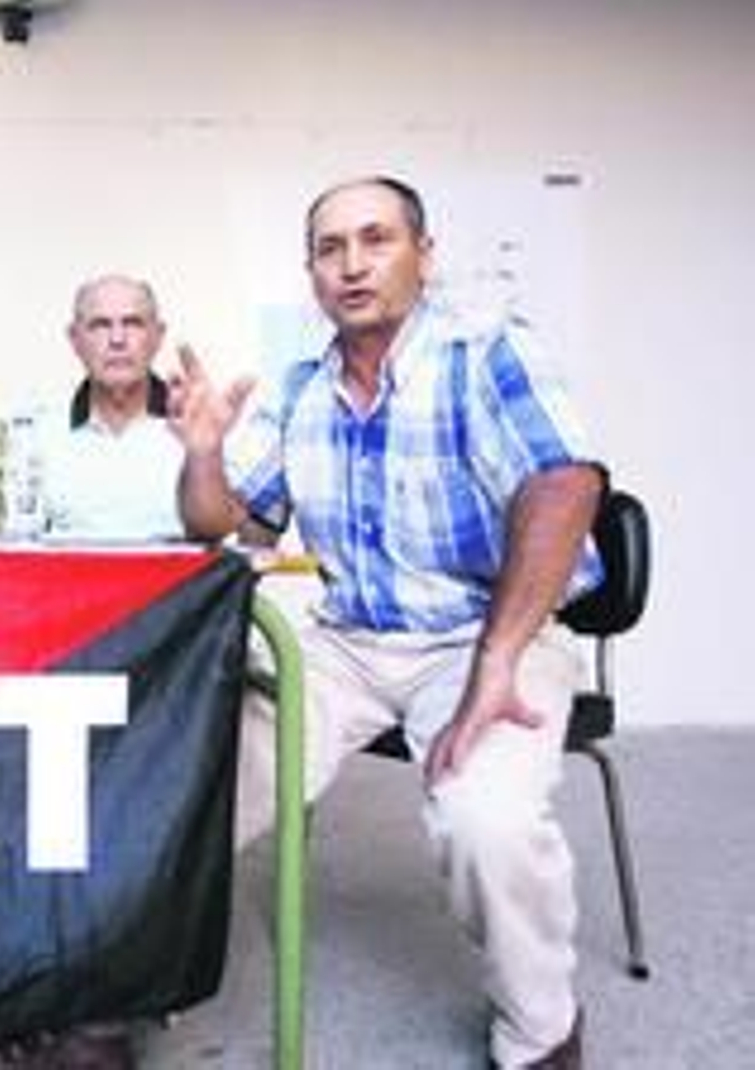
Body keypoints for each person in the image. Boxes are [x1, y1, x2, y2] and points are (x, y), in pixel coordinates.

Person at [169, 176, 601, 1069]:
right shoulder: (301, 385)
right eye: (331, 249)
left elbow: (567, 484)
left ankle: (544, 1034)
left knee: (487, 819)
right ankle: (108, 1000)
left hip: (486, 634)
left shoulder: (486, 354)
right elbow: (226, 523)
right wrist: (205, 450)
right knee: (188, 790)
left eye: (376, 239)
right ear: (312, 273)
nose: (353, 264)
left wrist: (496, 664)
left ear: (423, 255)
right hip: (345, 644)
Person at [37, 273, 184, 542]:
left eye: (133, 323)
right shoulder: (40, 434)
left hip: (183, 584)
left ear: (158, 336)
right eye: (100, 325)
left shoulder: (197, 428)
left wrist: (205, 452)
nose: (117, 339)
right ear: (75, 339)